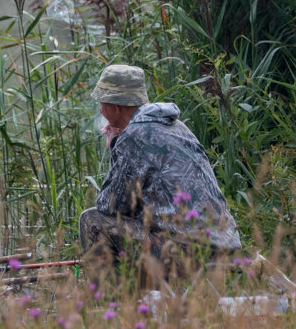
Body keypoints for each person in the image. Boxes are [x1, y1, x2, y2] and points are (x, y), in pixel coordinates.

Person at [79, 64, 242, 279]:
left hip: (187, 253)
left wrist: (116, 142)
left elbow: (109, 205)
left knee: (91, 220)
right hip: (225, 246)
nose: (100, 109)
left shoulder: (132, 137)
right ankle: (149, 300)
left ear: (116, 106)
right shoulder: (177, 126)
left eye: (102, 102)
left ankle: (111, 303)